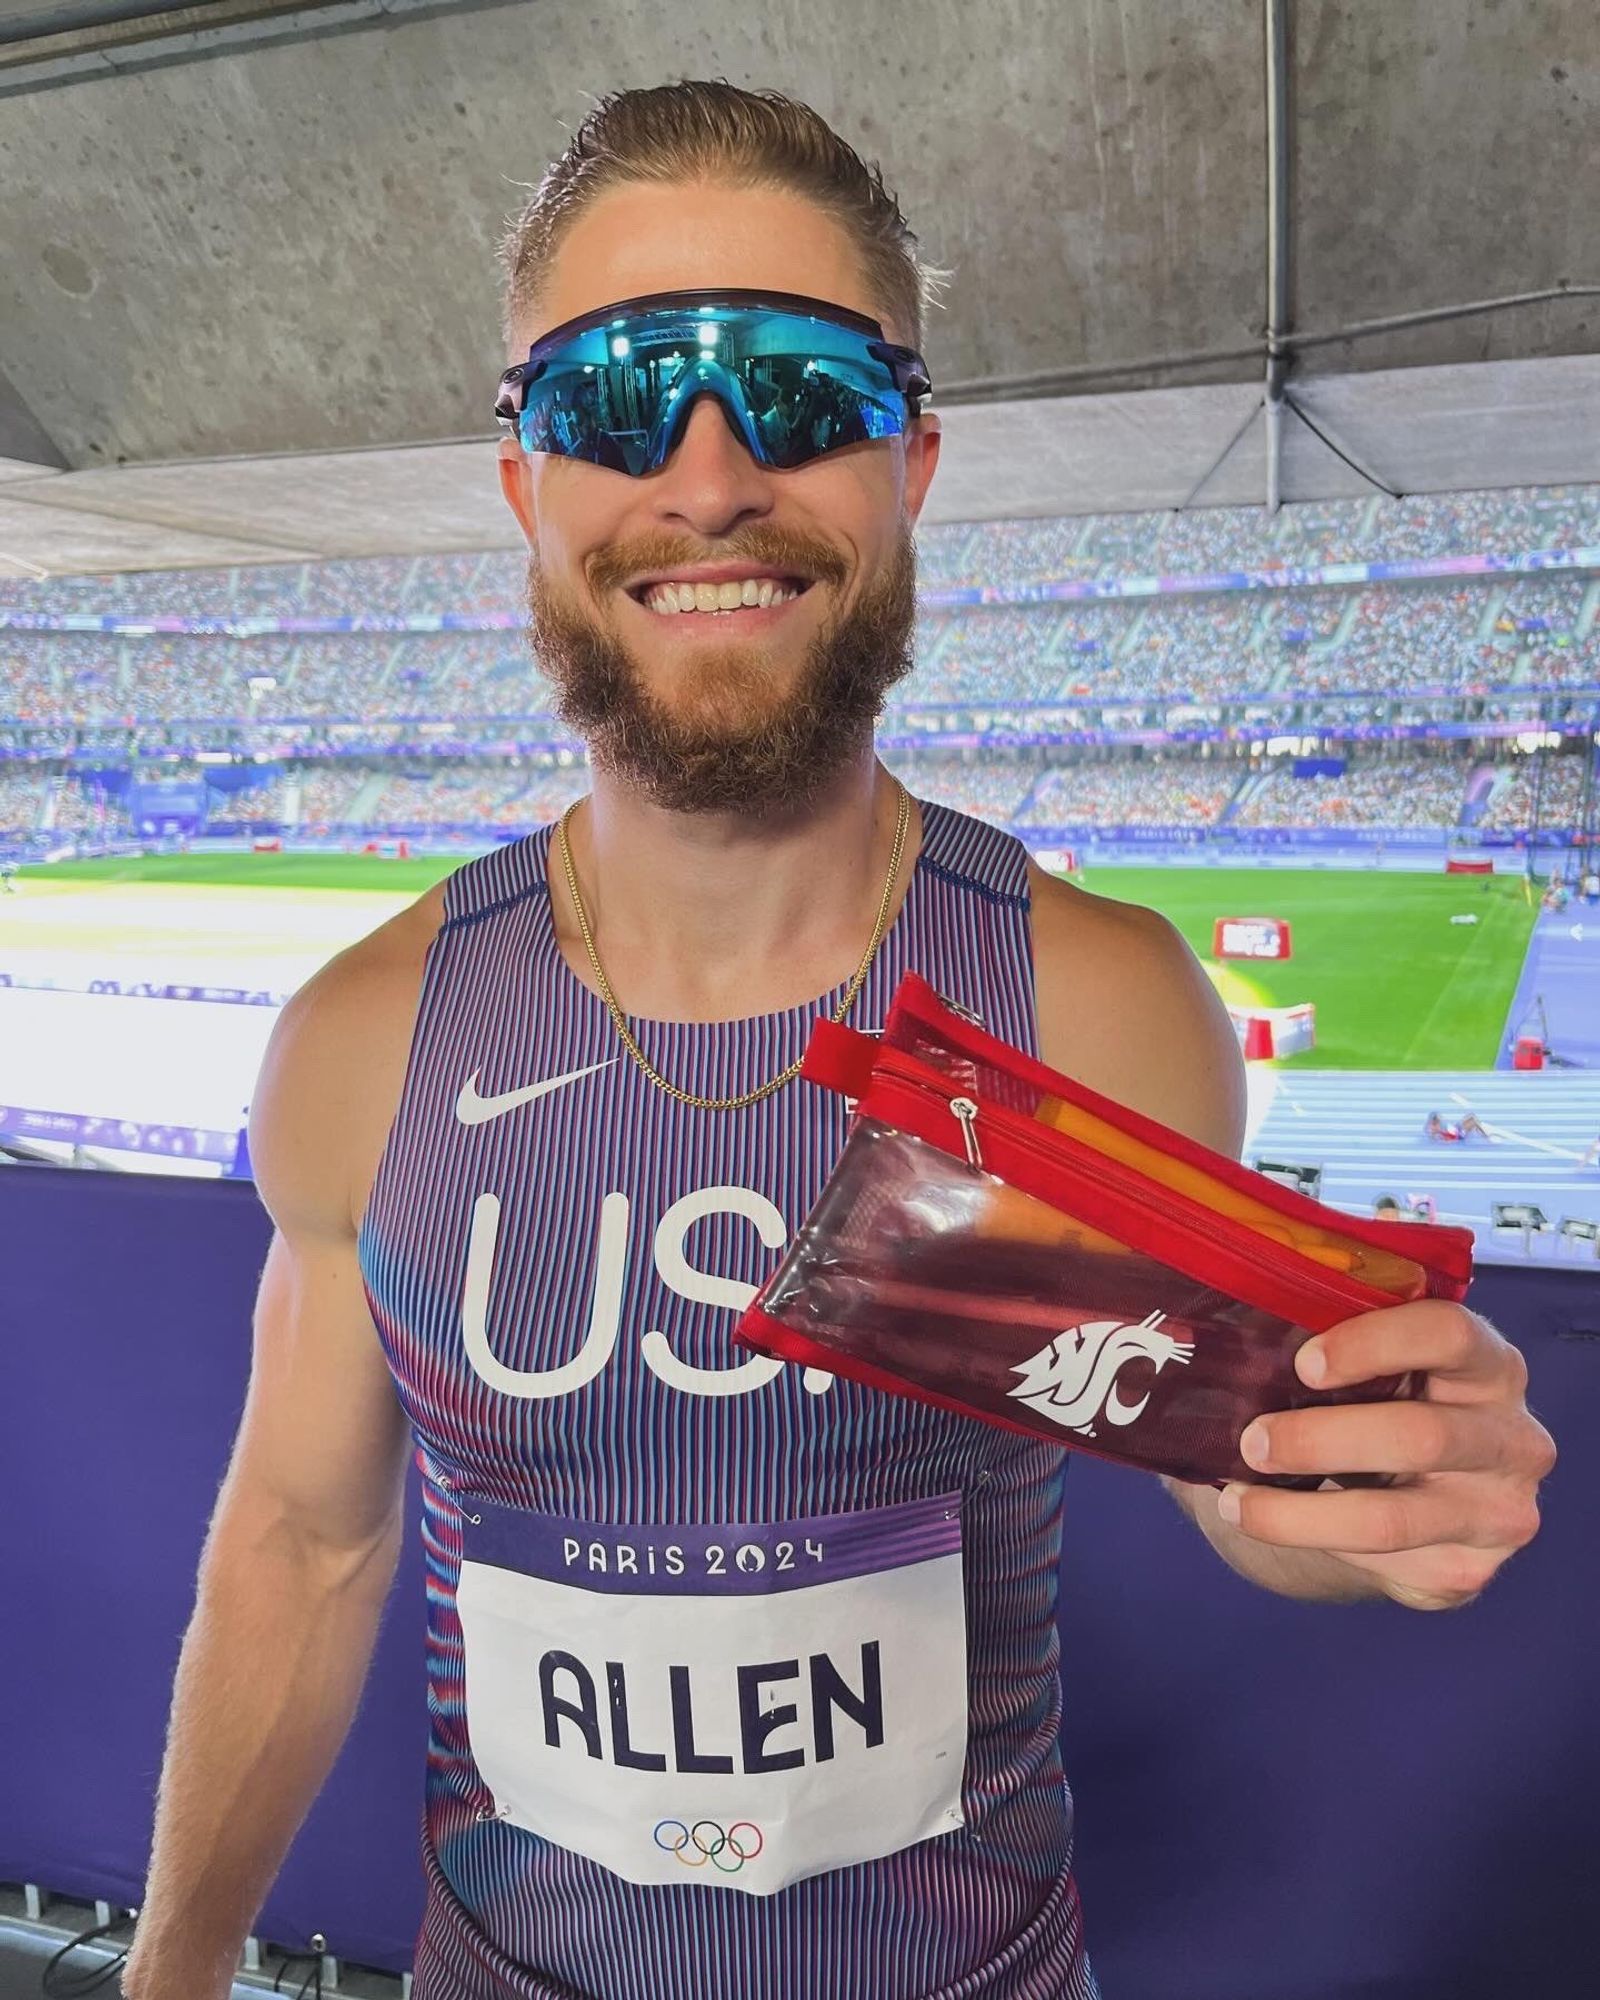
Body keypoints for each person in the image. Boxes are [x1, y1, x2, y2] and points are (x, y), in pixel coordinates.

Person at [122, 80, 1556, 2000]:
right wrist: (167, 1972)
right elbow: (298, 1545)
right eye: (617, 397)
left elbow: (1242, 1474)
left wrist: (1384, 1483)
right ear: (526, 486)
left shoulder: (1100, 1002)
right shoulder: (367, 1042)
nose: (708, 480)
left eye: (797, 391)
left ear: (913, 465)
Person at [1425, 1109, 1492, 1143]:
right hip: (1458, 1135)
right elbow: (1435, 1137)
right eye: (1438, 1118)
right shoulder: (1435, 1127)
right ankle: (1486, 1136)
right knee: (1474, 1121)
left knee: (1472, 1116)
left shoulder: (1436, 1125)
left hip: (1456, 1128)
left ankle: (1482, 1134)